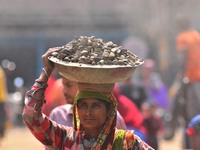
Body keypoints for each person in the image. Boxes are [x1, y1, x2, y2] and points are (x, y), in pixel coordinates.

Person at [22, 46, 154, 149]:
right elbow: (31, 117)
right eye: (83, 105)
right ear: (76, 109)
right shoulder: (66, 138)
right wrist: (46, 72)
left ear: (109, 110)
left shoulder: (127, 143)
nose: (88, 112)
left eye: (95, 105)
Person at [0, 66, 8, 139]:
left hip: (2, 99)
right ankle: (1, 133)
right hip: (1, 99)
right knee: (2, 117)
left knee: (2, 117)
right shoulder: (1, 71)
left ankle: (2, 133)